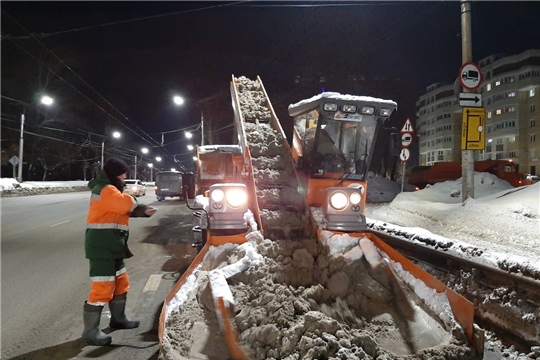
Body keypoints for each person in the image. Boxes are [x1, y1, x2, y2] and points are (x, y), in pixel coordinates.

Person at [82, 157, 157, 346]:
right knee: (102, 287)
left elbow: (123, 209)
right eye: (123, 173)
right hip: (102, 246)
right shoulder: (106, 189)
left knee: (121, 282)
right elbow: (125, 204)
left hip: (113, 245)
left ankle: (118, 318)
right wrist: (135, 201)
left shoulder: (111, 190)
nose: (126, 176)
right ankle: (90, 332)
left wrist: (143, 211)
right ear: (115, 173)